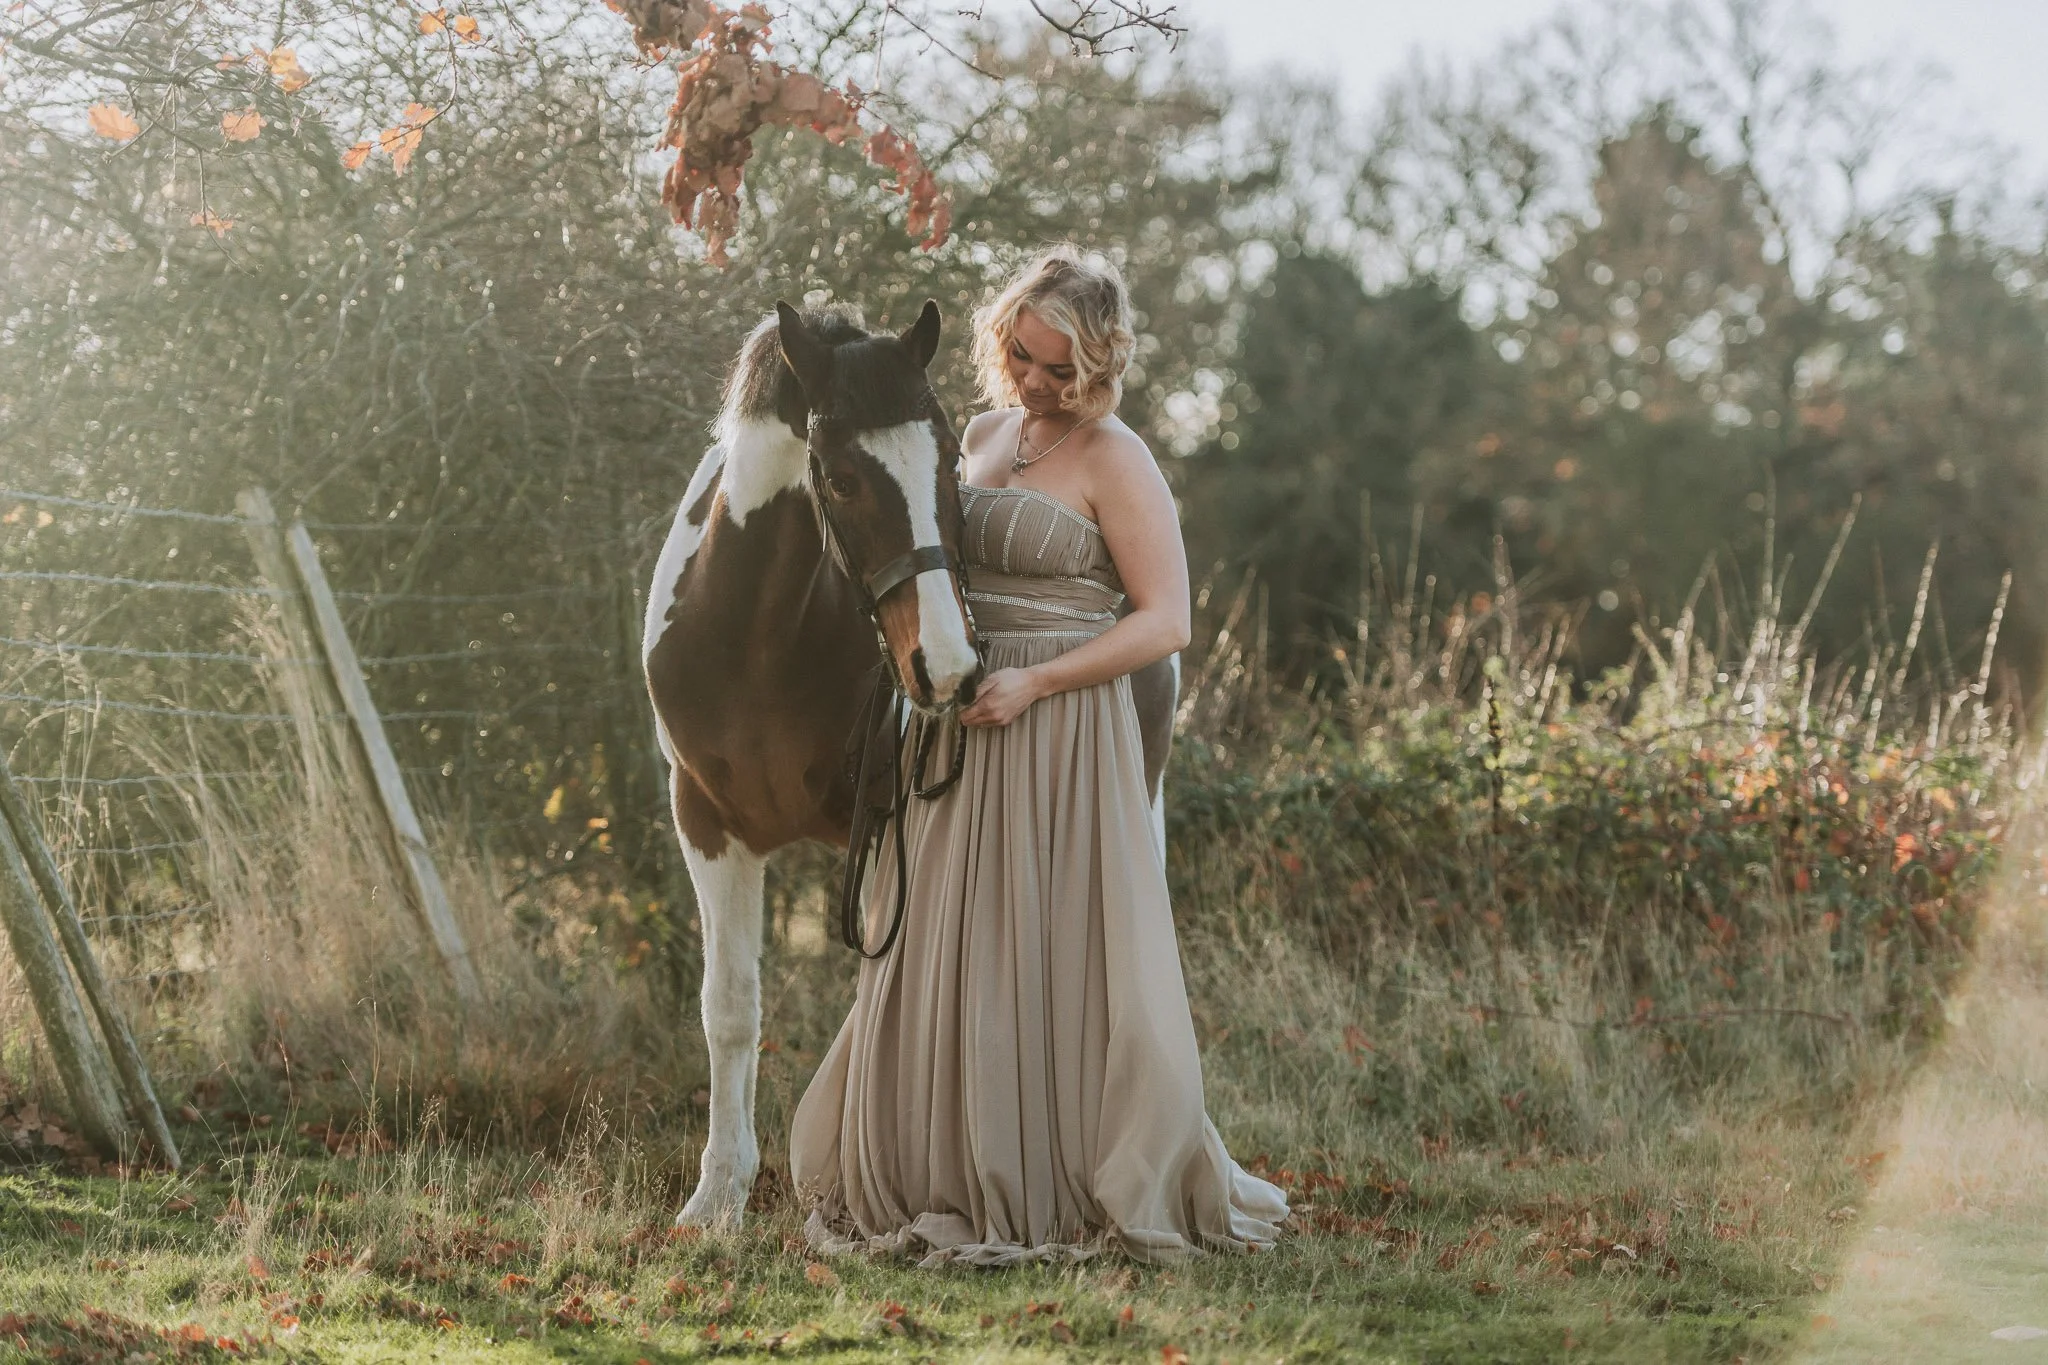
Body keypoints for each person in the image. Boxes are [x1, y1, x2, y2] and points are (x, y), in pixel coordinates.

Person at [789, 245, 1289, 1265]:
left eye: (1060, 369)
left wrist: (1037, 682)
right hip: (957, 721)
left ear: (1101, 365)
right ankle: (934, 1166)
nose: (1036, 383)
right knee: (944, 941)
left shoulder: (1117, 459)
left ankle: (1055, 1176)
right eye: (1022, 356)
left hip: (1061, 725)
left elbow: (1166, 622)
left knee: (1051, 947)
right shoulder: (975, 436)